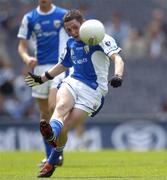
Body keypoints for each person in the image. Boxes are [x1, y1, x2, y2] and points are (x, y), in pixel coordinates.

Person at [25, 9, 124, 178]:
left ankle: (51, 161)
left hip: (93, 92)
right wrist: (42, 78)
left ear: (83, 23)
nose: (72, 32)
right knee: (60, 106)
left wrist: (118, 75)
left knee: (66, 128)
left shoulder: (100, 37)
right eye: (68, 30)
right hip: (73, 82)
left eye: (75, 27)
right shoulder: (71, 43)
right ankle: (51, 132)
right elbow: (63, 65)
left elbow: (118, 59)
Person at [17, 0, 69, 167]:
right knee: (44, 116)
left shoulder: (63, 15)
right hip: (39, 70)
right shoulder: (30, 18)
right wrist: (27, 58)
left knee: (54, 107)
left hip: (58, 68)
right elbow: (22, 46)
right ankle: (51, 157)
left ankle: (56, 154)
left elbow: (74, 36)